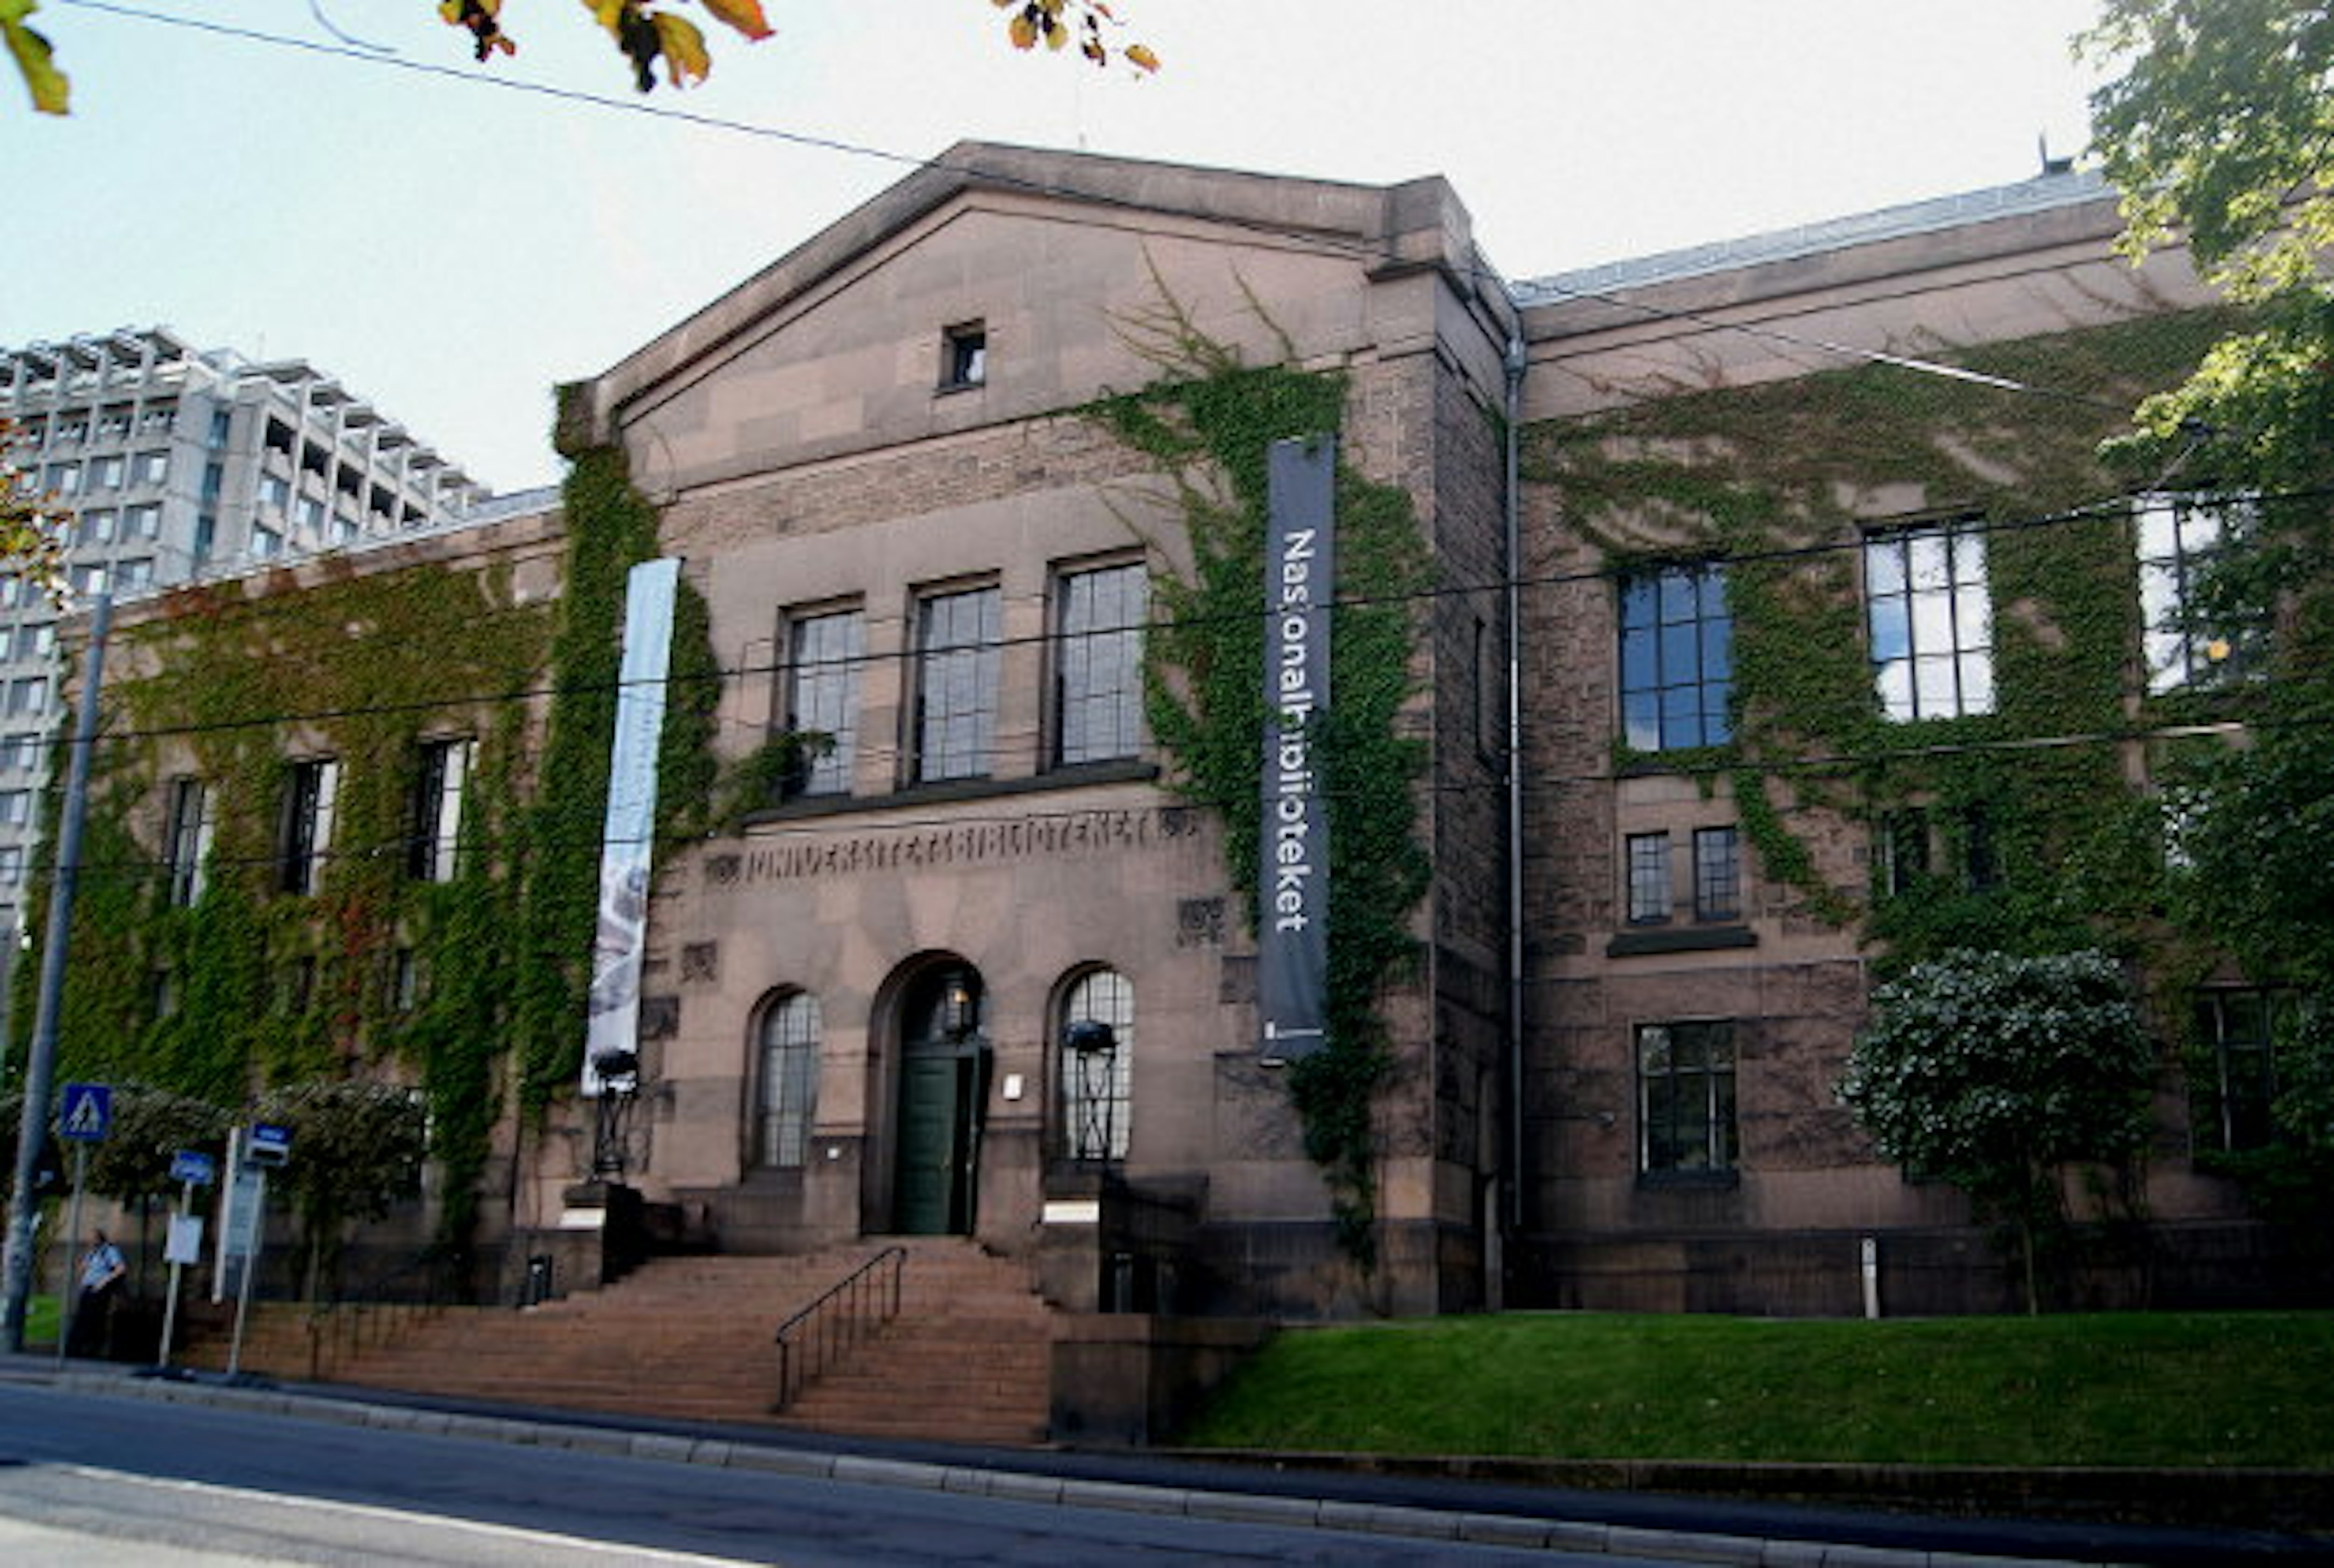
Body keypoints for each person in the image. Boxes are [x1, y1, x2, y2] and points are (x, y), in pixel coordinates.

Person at [67, 1229, 126, 1358]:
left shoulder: (109, 1251)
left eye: (93, 1239)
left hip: (99, 1290)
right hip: (87, 1288)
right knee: (82, 1319)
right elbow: (83, 1268)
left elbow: (121, 1269)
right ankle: (77, 1349)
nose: (90, 1241)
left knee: (95, 1320)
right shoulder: (92, 1252)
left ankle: (92, 1349)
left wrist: (103, 1282)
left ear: (100, 1239)